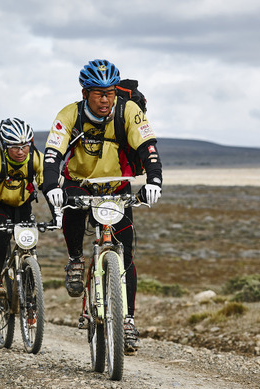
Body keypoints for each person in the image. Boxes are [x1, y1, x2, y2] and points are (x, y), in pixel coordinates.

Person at [42, 59, 163, 354]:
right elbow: (51, 155)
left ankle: (128, 321)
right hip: (78, 181)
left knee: (126, 254)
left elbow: (148, 147)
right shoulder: (68, 114)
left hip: (116, 184)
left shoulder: (127, 111)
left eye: (109, 92)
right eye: (98, 93)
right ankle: (74, 259)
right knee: (71, 209)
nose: (106, 99)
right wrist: (50, 186)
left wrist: (154, 180)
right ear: (85, 93)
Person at [0, 118, 52, 297]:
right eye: (14, 146)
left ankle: (31, 294)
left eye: (25, 146)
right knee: (2, 234)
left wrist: (57, 214)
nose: (20, 151)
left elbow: (46, 186)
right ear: (4, 145)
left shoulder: (35, 157)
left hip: (21, 204)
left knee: (28, 242)